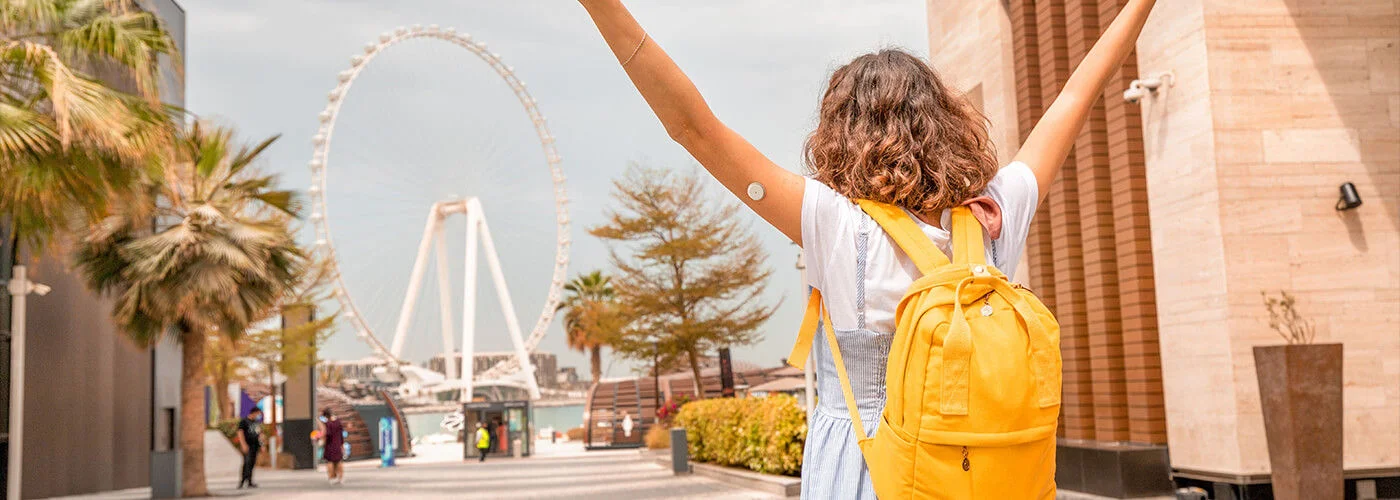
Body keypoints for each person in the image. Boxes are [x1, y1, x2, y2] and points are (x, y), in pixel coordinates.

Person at [575, 0, 1160, 496]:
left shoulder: (834, 224)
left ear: (841, 133)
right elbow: (1076, 96)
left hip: (869, 468)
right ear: (948, 121)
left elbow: (692, 126)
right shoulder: (994, 213)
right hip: (982, 470)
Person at [235, 407, 263, 489]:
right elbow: (240, 433)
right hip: (248, 445)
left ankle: (250, 481)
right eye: (258, 414)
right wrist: (243, 444)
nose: (258, 416)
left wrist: (262, 445)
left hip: (255, 445)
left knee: (252, 463)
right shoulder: (244, 421)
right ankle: (242, 481)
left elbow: (259, 434)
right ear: (254, 413)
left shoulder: (256, 422)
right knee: (247, 462)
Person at [318, 408, 346, 484]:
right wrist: (342, 444)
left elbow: (327, 434)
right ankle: (340, 477)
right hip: (338, 444)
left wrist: (321, 439)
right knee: (339, 461)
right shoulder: (338, 422)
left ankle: (332, 477)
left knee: (330, 461)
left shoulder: (328, 424)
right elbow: (341, 434)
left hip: (330, 444)